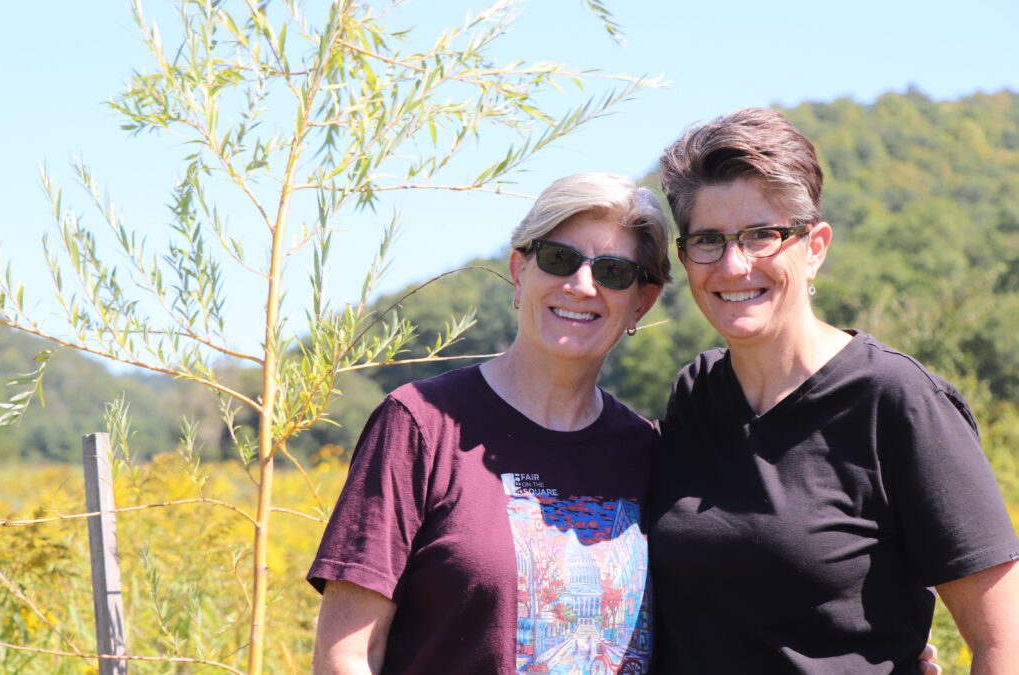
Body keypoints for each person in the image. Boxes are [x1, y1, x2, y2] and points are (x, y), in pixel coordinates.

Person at [649, 107, 1019, 673]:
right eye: (708, 241)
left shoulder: (896, 401)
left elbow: (1003, 644)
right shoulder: (695, 395)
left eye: (761, 236)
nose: (733, 264)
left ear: (815, 246)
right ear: (684, 258)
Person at [308, 173, 670, 673]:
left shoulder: (649, 452)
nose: (582, 285)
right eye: (558, 259)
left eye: (613, 272)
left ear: (641, 302)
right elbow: (347, 654)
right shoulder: (419, 426)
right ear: (519, 272)